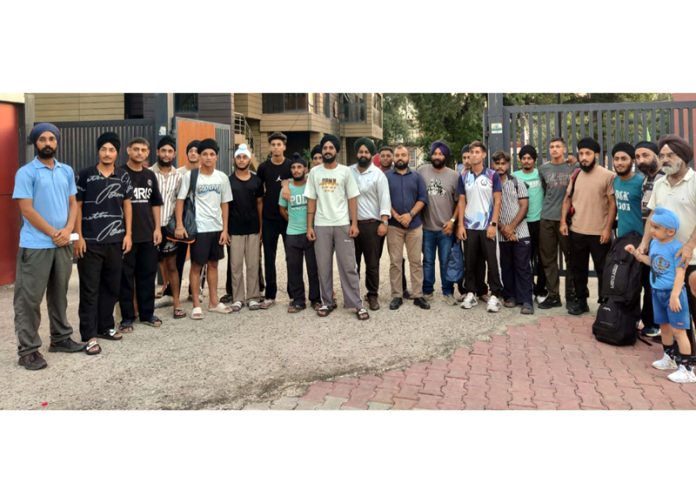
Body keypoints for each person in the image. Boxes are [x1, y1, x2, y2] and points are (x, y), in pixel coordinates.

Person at [12, 123, 85, 370]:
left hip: (62, 243)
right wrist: (54, 233)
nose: (47, 143)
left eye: (51, 139)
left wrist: (67, 231)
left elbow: (73, 203)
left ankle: (61, 338)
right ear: (35, 143)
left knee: (59, 295)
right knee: (28, 300)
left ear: (57, 142)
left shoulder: (65, 171)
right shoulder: (26, 173)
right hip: (35, 246)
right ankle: (28, 350)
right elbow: (26, 209)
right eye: (42, 139)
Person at [75, 132, 133, 356]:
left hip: (116, 240)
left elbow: (127, 206)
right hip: (90, 241)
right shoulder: (85, 175)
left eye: (111, 150)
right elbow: (77, 207)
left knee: (111, 287)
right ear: (98, 151)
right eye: (103, 149)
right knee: (90, 289)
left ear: (117, 152)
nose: (107, 153)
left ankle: (106, 326)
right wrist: (77, 236)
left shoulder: (123, 176)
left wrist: (128, 234)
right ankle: (89, 335)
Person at [640, 134, 696, 359]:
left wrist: (690, 244)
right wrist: (645, 243)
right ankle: (681, 356)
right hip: (665, 257)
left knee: (692, 299)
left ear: (682, 156)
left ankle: (688, 357)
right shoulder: (660, 183)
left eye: (670, 155)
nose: (664, 159)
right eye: (662, 155)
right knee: (674, 311)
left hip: (689, 255)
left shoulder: (694, 182)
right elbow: (653, 214)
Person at [626, 207, 695, 383]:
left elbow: (681, 273)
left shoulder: (677, 248)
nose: (651, 230)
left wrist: (675, 295)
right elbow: (652, 262)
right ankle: (669, 358)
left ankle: (687, 369)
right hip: (657, 292)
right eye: (651, 226)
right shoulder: (655, 244)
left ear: (670, 231)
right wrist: (636, 254)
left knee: (679, 331)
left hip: (673, 295)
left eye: (656, 228)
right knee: (664, 327)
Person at [305, 134, 369, 320]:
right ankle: (327, 302)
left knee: (348, 265)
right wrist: (309, 226)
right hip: (321, 225)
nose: (327, 151)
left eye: (331, 148)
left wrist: (354, 223)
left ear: (337, 151)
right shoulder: (315, 173)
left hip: (342, 224)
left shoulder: (345, 172)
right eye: (325, 148)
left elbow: (352, 199)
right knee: (323, 266)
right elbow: (311, 201)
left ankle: (356, 303)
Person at [175, 138, 233, 319]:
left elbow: (225, 204)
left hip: (216, 228)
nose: (208, 157)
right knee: (196, 266)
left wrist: (225, 229)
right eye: (205, 154)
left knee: (214, 264)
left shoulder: (222, 177)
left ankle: (214, 302)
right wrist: (179, 225)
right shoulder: (190, 176)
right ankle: (196, 305)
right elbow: (180, 201)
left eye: (212, 154)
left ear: (216, 157)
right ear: (199, 156)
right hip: (199, 228)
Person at [560, 137, 616, 315]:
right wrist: (563, 222)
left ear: (596, 155)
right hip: (577, 231)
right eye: (581, 153)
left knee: (603, 270)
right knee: (578, 270)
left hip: (599, 233)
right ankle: (581, 302)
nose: (584, 157)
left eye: (588, 154)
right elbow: (567, 199)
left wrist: (607, 229)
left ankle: (604, 303)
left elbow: (612, 204)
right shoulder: (576, 175)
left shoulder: (608, 176)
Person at [117, 137, 164, 333]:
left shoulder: (150, 176)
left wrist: (158, 228)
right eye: (135, 149)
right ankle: (127, 317)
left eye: (143, 150)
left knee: (147, 276)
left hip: (147, 234)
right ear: (128, 150)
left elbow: (155, 203)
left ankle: (147, 313)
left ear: (147, 153)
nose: (139, 153)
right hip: (125, 236)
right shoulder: (119, 173)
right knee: (126, 278)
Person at [456, 140, 503, 313]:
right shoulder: (463, 176)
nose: (473, 155)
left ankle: (495, 295)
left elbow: (498, 200)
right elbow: (461, 201)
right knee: (470, 261)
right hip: (469, 226)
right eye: (471, 152)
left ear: (483, 155)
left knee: (491, 261)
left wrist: (493, 223)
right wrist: (460, 225)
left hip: (487, 226)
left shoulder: (492, 175)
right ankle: (471, 292)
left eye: (477, 152)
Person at [385, 144, 430, 310]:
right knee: (395, 262)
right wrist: (397, 216)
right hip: (394, 226)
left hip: (414, 225)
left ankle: (418, 295)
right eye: (397, 155)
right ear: (393, 158)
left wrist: (410, 215)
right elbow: (384, 200)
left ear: (408, 158)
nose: (400, 158)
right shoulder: (387, 177)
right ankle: (396, 295)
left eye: (403, 155)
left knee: (415, 261)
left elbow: (423, 198)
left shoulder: (417, 177)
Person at [350, 137, 391, 310]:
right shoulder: (348, 172)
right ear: (356, 153)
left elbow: (385, 199)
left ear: (371, 154)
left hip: (372, 225)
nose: (363, 154)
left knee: (372, 263)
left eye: (366, 152)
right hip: (352, 224)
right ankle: (353, 296)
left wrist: (384, 222)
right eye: (360, 151)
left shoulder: (378, 175)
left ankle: (372, 295)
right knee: (352, 263)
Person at [417, 140, 460, 306]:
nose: (437, 156)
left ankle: (448, 292)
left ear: (445, 156)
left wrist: (453, 221)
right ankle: (427, 291)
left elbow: (460, 202)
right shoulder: (422, 171)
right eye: (435, 153)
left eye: (440, 154)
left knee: (445, 261)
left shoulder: (454, 176)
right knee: (427, 261)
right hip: (426, 227)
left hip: (446, 228)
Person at [492, 150, 534, 315]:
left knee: (523, 267)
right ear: (493, 165)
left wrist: (512, 227)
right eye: (497, 163)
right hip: (502, 234)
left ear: (508, 165)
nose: (500, 167)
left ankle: (527, 301)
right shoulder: (491, 184)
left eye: (503, 163)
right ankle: (510, 296)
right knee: (506, 266)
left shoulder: (518, 182)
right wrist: (504, 229)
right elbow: (492, 210)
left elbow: (524, 206)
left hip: (520, 232)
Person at [538, 136, 577, 309]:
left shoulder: (573, 166)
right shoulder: (543, 169)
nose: (554, 149)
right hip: (547, 218)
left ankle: (571, 295)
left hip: (567, 220)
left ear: (564, 149)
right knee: (548, 259)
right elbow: (545, 190)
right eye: (552, 146)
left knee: (571, 258)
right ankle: (554, 295)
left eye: (558, 146)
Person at [279, 153, 321, 313]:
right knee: (293, 268)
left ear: (306, 169)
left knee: (313, 268)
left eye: (299, 167)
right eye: (293, 167)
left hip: (310, 232)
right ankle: (298, 300)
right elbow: (282, 208)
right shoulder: (287, 188)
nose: (296, 170)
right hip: (292, 233)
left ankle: (316, 299)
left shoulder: (311, 186)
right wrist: (291, 220)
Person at [226, 144, 264, 312]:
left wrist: (261, 227)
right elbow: (224, 205)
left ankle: (253, 297)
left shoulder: (256, 180)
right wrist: (225, 229)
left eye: (245, 157)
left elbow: (259, 204)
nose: (241, 160)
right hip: (234, 229)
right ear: (235, 159)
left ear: (249, 159)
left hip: (253, 228)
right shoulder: (228, 180)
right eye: (239, 157)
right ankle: (238, 298)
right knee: (235, 265)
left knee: (253, 264)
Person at [150, 135, 185, 319]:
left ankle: (177, 303)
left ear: (174, 154)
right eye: (163, 150)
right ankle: (144, 307)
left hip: (169, 227)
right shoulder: (148, 173)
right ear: (157, 152)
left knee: (172, 266)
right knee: (148, 267)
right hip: (150, 228)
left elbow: (180, 202)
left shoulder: (179, 176)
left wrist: (178, 225)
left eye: (170, 151)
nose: (166, 154)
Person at [257, 132, 292, 308]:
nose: (276, 147)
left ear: (284, 146)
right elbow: (259, 196)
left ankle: (294, 294)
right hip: (269, 219)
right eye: (273, 144)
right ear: (270, 147)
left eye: (279, 144)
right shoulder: (263, 168)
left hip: (288, 219)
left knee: (291, 257)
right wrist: (261, 225)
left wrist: (286, 184)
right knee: (269, 258)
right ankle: (270, 295)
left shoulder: (291, 166)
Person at [514, 144, 547, 303]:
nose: (526, 161)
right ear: (520, 160)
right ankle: (528, 288)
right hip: (522, 223)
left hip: (539, 222)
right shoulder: (514, 176)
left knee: (541, 258)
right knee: (524, 259)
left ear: (534, 160)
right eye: (524, 158)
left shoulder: (541, 174)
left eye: (529, 158)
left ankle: (541, 290)